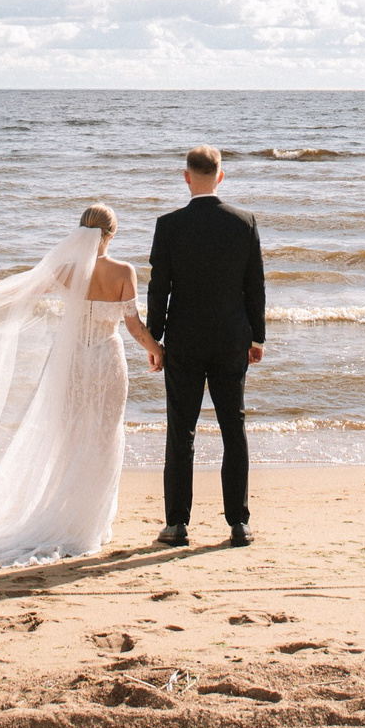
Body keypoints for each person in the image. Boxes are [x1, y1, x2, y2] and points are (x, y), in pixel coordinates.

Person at [0, 204, 162, 568]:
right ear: (111, 235)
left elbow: (16, 288)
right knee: (103, 438)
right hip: (105, 362)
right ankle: (89, 525)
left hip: (69, 363)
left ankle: (68, 516)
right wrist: (157, 352)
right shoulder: (123, 271)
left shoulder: (67, 270)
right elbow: (134, 327)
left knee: (68, 439)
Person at [145, 144, 266, 548]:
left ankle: (177, 524)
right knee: (234, 428)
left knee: (182, 432)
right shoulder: (244, 222)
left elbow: (159, 289)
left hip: (184, 341)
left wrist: (154, 339)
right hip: (232, 339)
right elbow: (255, 287)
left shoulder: (169, 225)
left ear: (186, 178)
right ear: (220, 176)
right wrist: (258, 336)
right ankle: (239, 524)